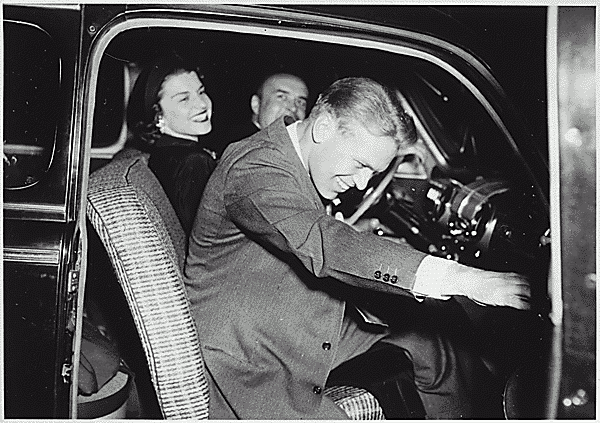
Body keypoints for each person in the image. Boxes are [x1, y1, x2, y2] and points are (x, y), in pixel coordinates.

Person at [184, 77, 531, 419]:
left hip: (290, 315)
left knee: (437, 331)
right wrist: (465, 279)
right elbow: (323, 241)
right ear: (322, 128)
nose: (363, 183)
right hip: (248, 356)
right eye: (361, 165)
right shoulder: (255, 166)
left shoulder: (293, 151)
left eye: (374, 172)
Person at [127, 52, 217, 236]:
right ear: (158, 115)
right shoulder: (194, 162)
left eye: (201, 92)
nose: (201, 104)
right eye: (184, 99)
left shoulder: (164, 154)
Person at [227, 72, 309, 142]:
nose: (293, 108)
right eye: (282, 97)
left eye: (300, 102)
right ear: (256, 104)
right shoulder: (237, 147)